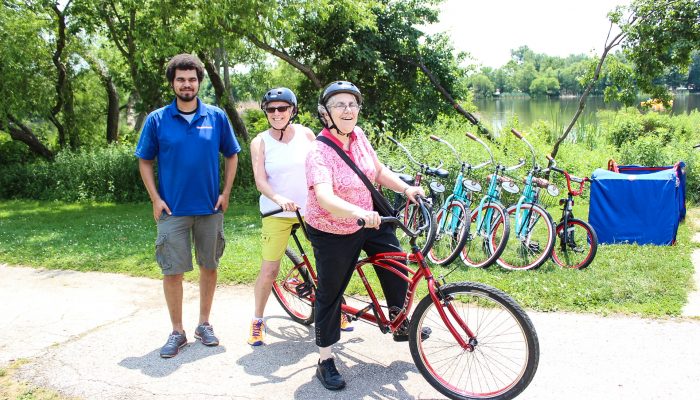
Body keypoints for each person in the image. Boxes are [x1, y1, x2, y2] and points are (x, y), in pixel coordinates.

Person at [304, 81, 425, 390]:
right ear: (326, 114)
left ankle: (399, 321)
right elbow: (325, 197)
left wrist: (406, 188)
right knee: (331, 292)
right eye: (339, 105)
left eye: (352, 104)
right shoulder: (318, 151)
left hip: (369, 218)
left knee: (395, 263)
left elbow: (378, 170)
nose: (348, 110)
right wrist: (357, 213)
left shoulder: (358, 137)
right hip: (333, 228)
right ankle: (325, 359)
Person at [134, 54, 241, 358]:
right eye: (180, 79)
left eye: (192, 79)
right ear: (172, 83)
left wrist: (226, 192)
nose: (186, 84)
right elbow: (144, 160)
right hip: (173, 211)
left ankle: (204, 325)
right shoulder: (157, 119)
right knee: (173, 272)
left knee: (210, 266)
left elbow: (232, 154)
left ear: (199, 82)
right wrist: (155, 198)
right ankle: (177, 331)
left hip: (210, 209)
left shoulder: (217, 117)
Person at [248, 87, 327, 346]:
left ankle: (334, 311)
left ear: (292, 110)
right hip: (277, 212)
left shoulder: (305, 133)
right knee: (270, 270)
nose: (277, 113)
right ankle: (257, 321)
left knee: (328, 264)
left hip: (310, 209)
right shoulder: (260, 142)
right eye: (271, 109)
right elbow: (260, 181)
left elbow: (320, 166)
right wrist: (279, 199)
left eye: (282, 108)